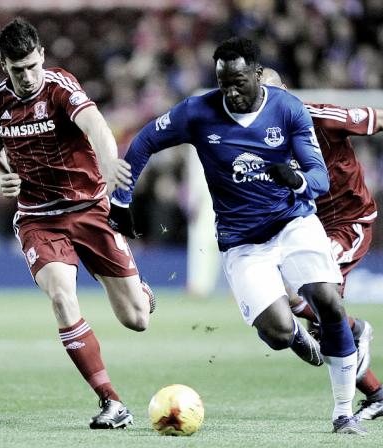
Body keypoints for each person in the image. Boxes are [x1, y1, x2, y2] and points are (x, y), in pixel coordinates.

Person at [109, 36, 367, 435]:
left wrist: (298, 180)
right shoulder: (198, 111)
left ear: (258, 75)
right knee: (279, 332)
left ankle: (343, 412)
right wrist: (122, 200)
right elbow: (145, 140)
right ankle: (295, 334)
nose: (231, 91)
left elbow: (319, 176)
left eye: (240, 82)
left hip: (293, 222)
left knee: (328, 300)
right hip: (242, 242)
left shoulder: (288, 109)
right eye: (224, 82)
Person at [0, 18, 155, 430]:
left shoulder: (60, 87)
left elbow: (94, 124)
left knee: (137, 319)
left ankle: (139, 290)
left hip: (90, 206)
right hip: (38, 217)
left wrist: (110, 160)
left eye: (31, 65)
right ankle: (111, 401)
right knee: (61, 296)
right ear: (3, 64)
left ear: (41, 54)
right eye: (16, 69)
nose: (26, 77)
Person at [261, 67, 383, 420]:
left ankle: (355, 329)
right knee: (320, 325)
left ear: (286, 91)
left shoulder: (320, 117)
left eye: (272, 94)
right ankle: (379, 395)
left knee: (307, 298)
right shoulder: (259, 136)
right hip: (304, 226)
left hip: (347, 224)